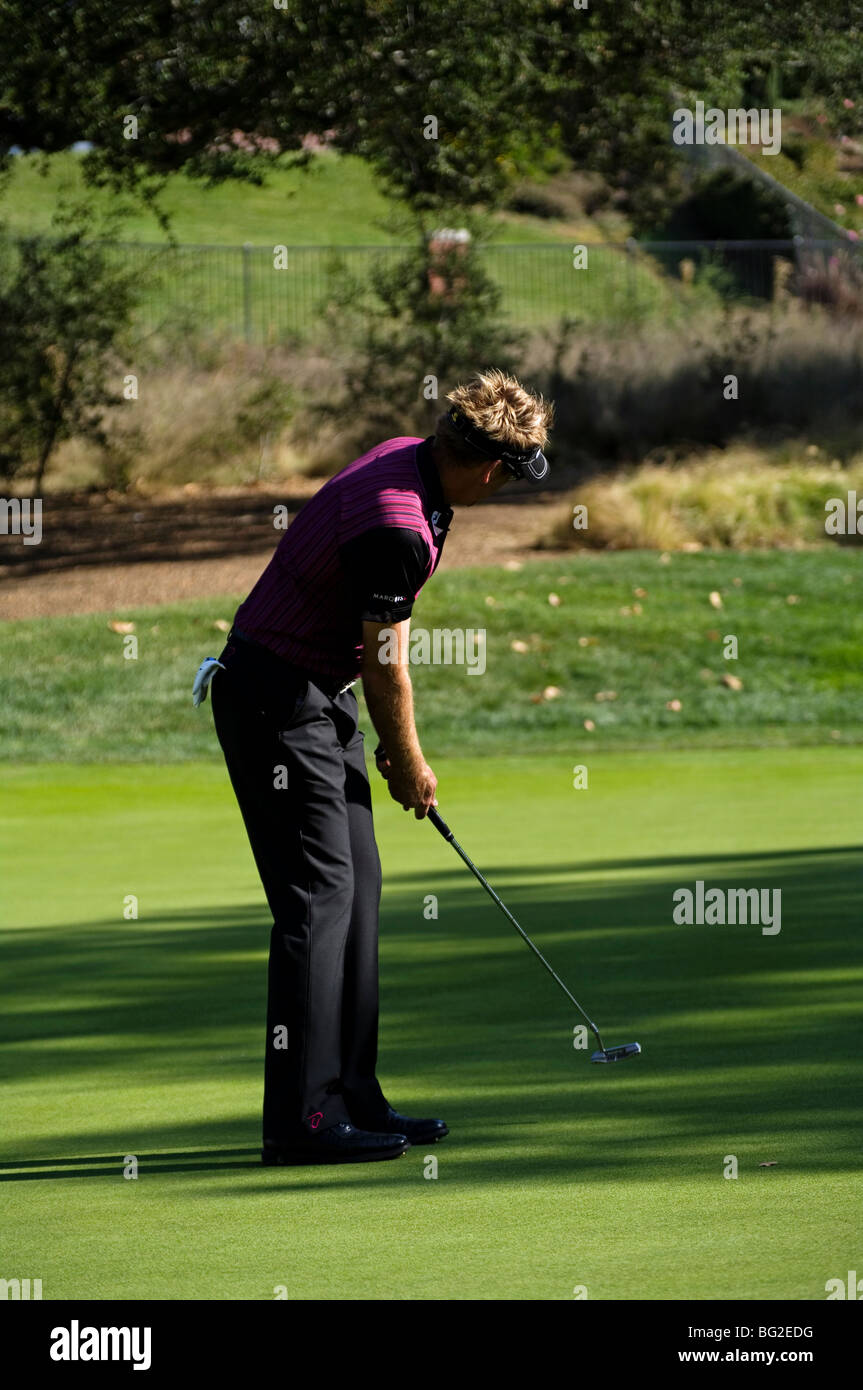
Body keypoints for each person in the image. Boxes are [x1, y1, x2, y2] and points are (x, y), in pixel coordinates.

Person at [196, 369, 553, 1165]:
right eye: (512, 475)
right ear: (493, 468)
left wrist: (389, 749)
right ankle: (301, 1121)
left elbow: (369, 657)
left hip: (318, 693)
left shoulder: (412, 458)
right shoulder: (397, 525)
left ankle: (354, 1093)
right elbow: (386, 662)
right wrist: (411, 758)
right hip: (274, 701)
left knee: (357, 886)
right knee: (317, 901)